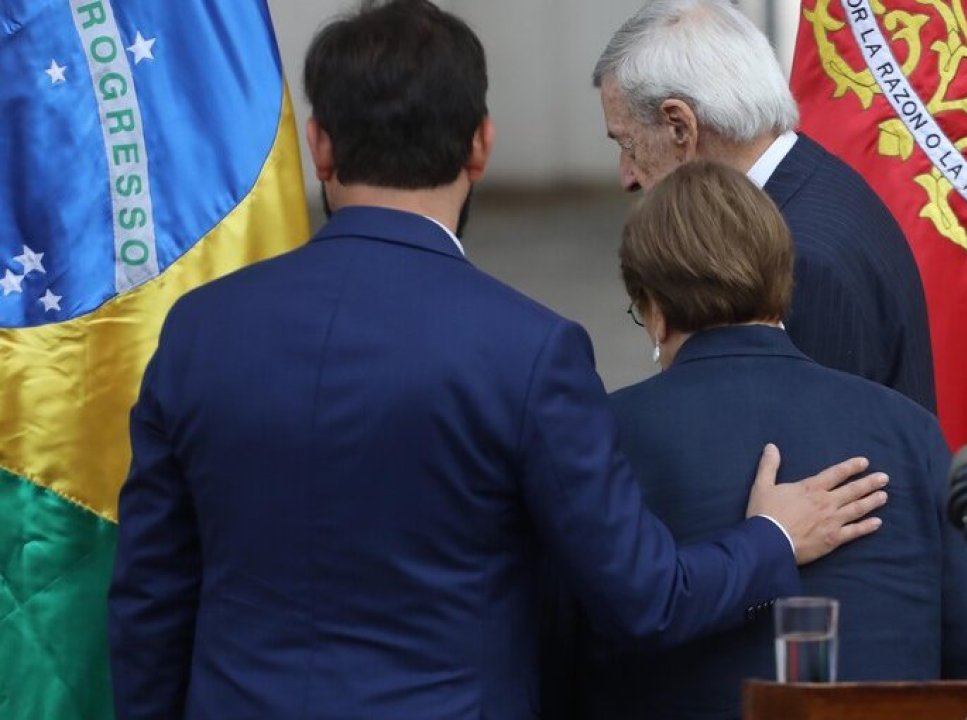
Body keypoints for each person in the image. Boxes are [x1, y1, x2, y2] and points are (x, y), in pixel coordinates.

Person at [106, 3, 890, 719]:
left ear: (319, 145)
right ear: (482, 143)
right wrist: (771, 538)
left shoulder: (200, 330)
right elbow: (643, 599)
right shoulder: (529, 352)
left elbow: (150, 601)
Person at [576, 161, 967, 720]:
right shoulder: (908, 430)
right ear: (782, 284)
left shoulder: (606, 434)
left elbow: (568, 645)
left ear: (654, 311)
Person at [593, 0, 938, 412]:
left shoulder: (800, 258)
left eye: (628, 144)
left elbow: (818, 439)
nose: (627, 176)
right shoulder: (806, 188)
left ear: (680, 126)